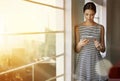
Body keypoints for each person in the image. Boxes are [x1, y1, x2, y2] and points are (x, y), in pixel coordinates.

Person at [75, 2, 108, 81]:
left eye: (92, 14)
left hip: (96, 61)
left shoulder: (100, 28)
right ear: (83, 13)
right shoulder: (78, 28)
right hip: (83, 62)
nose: (89, 17)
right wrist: (80, 44)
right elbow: (76, 50)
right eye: (87, 14)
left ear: (95, 13)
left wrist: (99, 47)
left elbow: (103, 50)